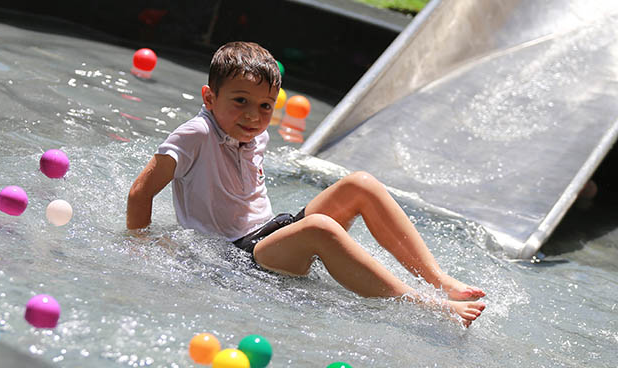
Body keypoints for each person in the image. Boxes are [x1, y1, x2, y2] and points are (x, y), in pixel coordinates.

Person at [126, 41, 486, 327]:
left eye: (266, 106)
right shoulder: (197, 133)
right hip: (236, 256)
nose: (253, 116)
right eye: (240, 102)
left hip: (271, 233)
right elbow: (141, 191)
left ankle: (438, 279)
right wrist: (140, 247)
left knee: (361, 184)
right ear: (209, 98)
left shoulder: (253, 135)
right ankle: (421, 302)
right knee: (318, 227)